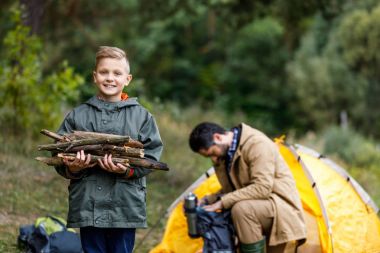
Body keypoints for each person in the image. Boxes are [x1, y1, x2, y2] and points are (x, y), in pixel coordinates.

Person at [54, 46, 163, 253]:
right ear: (95, 76)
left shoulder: (142, 117)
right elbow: (58, 155)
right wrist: (74, 168)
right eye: (104, 72)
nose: (110, 78)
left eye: (117, 73)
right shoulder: (77, 116)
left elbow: (151, 155)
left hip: (125, 205)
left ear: (128, 79)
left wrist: (126, 170)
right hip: (88, 204)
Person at [189, 122, 306, 253]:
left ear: (218, 137)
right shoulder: (226, 154)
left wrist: (222, 202)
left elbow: (262, 188)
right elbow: (234, 190)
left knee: (241, 209)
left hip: (280, 208)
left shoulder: (257, 144)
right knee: (230, 209)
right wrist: (209, 200)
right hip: (259, 208)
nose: (213, 158)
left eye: (212, 154)